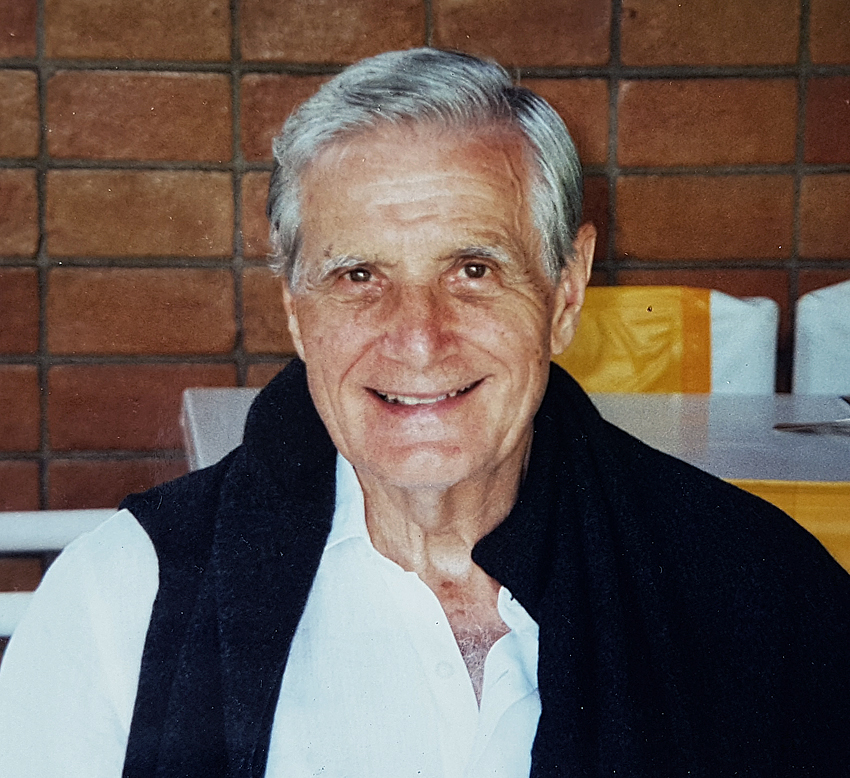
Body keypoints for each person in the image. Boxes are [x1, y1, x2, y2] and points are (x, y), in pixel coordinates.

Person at [1, 48, 849, 777]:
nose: (417, 338)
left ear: (566, 291)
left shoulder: (763, 595)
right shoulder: (121, 603)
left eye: (474, 270)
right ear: (295, 309)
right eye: (358, 275)